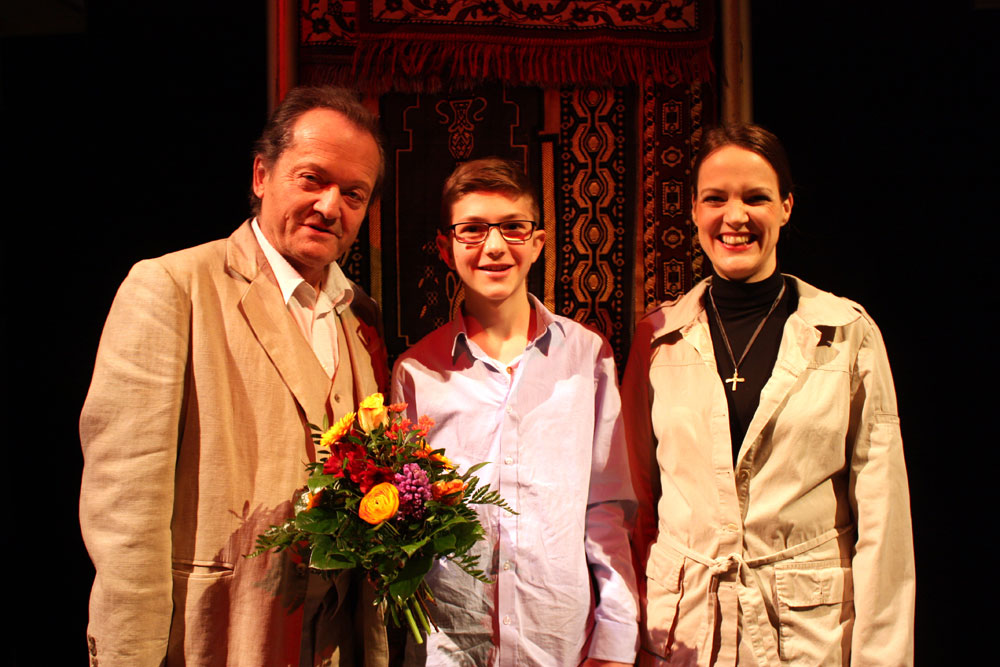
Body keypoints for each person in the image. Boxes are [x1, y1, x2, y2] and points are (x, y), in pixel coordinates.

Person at [79, 86, 391, 666]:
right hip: (217, 636)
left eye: (354, 194)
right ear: (261, 175)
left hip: (333, 641)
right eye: (312, 179)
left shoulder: (361, 315)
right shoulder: (172, 288)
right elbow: (124, 516)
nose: (330, 206)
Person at [623, 124, 915, 665]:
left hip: (806, 642)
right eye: (716, 198)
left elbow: (884, 522)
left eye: (756, 197)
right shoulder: (657, 339)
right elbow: (639, 505)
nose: (735, 217)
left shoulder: (848, 333)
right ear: (692, 210)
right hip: (683, 640)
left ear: (785, 207)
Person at [391, 158, 640, 666]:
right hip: (448, 647)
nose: (495, 246)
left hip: (561, 643)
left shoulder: (587, 357)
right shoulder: (415, 373)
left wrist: (616, 637)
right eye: (473, 229)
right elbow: (402, 521)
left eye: (513, 227)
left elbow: (607, 508)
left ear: (538, 242)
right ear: (445, 248)